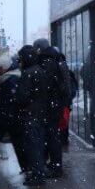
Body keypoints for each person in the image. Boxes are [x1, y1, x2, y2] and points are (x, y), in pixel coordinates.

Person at [15, 44, 56, 185]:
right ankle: (39, 172)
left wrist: (18, 96)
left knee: (32, 145)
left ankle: (37, 175)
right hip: (40, 113)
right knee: (38, 144)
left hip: (30, 114)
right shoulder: (41, 71)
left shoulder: (28, 73)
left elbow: (22, 96)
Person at [37, 46, 71, 177]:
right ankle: (55, 164)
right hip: (57, 104)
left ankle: (55, 166)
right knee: (54, 134)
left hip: (51, 105)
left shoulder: (48, 65)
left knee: (51, 136)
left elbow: (46, 86)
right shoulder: (60, 62)